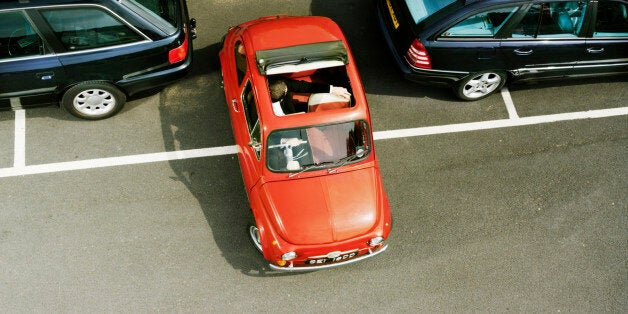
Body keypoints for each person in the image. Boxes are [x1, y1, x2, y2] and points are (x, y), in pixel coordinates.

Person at [268, 79, 351, 116]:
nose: (288, 88)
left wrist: (333, 89)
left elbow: (305, 86)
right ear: (281, 99)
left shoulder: (281, 84)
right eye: (287, 91)